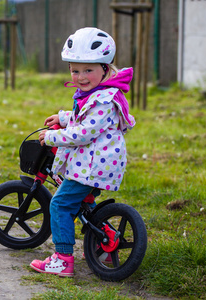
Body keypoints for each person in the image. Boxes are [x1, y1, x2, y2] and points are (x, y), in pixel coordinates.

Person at [29, 27, 136, 277]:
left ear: (105, 69)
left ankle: (63, 258)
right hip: (97, 164)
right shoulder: (98, 94)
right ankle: (106, 243)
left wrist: (54, 136)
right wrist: (64, 117)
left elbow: (85, 132)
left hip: (91, 166)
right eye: (75, 70)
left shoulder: (104, 100)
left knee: (60, 204)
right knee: (87, 208)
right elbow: (84, 116)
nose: (81, 76)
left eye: (88, 70)